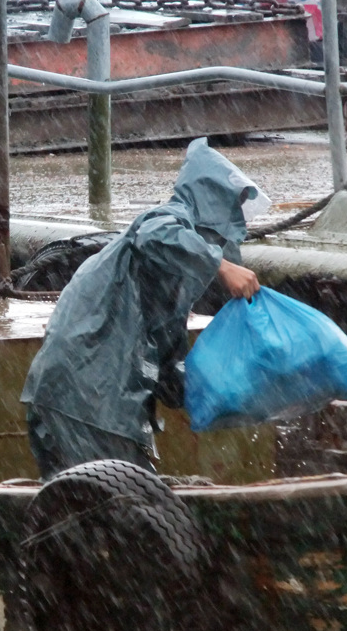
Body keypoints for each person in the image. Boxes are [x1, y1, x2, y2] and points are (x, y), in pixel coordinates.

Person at [21, 137, 262, 480]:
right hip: (86, 400)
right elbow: (155, 235)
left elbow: (168, 368)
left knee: (92, 507)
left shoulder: (170, 288)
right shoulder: (165, 221)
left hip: (95, 404)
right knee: (118, 506)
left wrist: (226, 393)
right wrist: (221, 266)